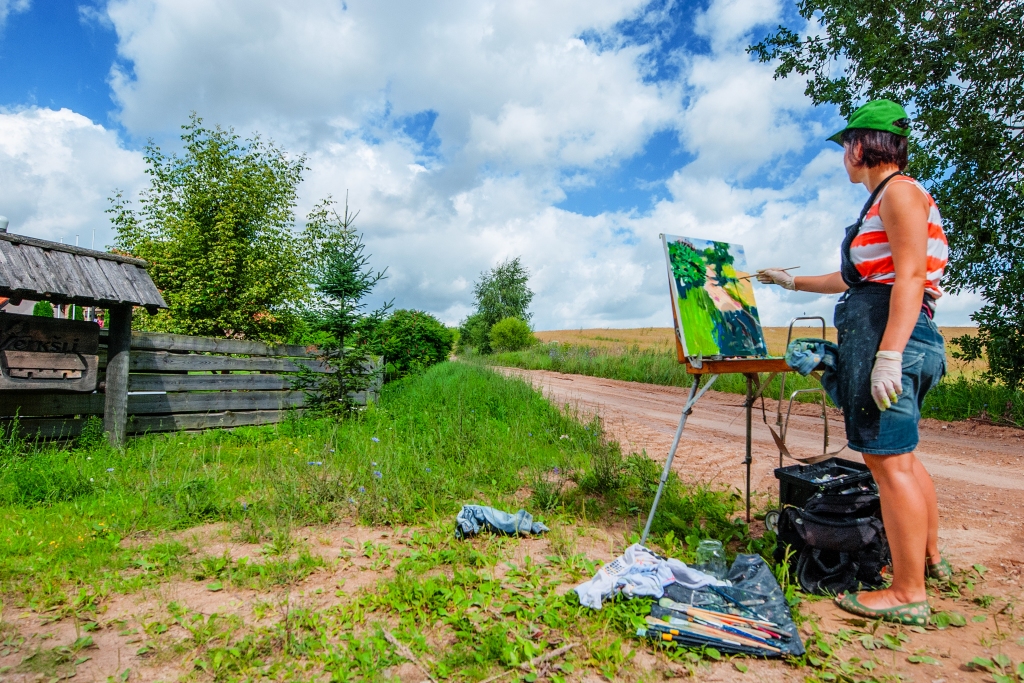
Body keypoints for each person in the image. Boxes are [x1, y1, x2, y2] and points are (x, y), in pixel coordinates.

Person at [757, 99, 949, 626]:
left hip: (897, 336)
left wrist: (888, 355)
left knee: (888, 464)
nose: (843, 156)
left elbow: (908, 277)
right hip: (898, 333)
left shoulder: (900, 192)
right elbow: (856, 279)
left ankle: (907, 592)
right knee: (901, 457)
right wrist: (791, 281)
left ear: (862, 145)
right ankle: (929, 560)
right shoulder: (881, 202)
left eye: (846, 145)